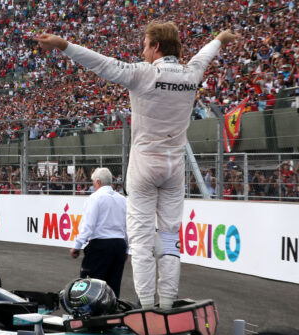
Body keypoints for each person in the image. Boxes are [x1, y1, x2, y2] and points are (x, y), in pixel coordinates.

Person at [35, 23, 239, 309]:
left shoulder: (143, 73)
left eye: (145, 45)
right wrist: (220, 38)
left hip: (144, 164)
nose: (142, 50)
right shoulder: (192, 73)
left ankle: (146, 308)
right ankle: (167, 304)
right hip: (174, 166)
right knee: (169, 240)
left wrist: (62, 44)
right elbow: (205, 55)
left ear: (156, 47)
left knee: (142, 242)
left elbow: (100, 63)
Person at [69, 168, 128, 297]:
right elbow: (126, 226)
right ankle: (112, 314)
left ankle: (91, 314)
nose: (93, 185)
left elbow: (88, 225)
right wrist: (127, 249)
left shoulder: (94, 198)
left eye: (93, 182)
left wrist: (77, 246)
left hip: (100, 246)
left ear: (98, 182)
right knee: (113, 288)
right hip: (119, 244)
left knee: (90, 286)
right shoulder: (122, 199)